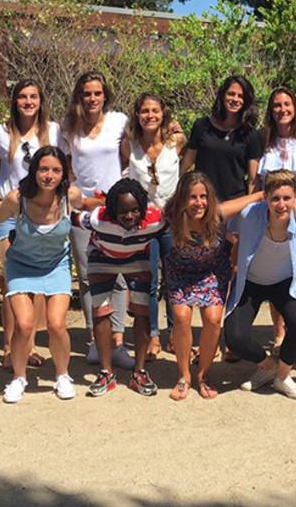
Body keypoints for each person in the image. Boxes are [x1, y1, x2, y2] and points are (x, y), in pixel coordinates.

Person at [0, 146, 85, 403]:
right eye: (44, 169)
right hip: (21, 266)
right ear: (34, 170)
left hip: (56, 265)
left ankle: (62, 375)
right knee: (24, 325)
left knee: (57, 324)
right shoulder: (18, 199)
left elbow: (91, 204)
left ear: (64, 174)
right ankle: (18, 377)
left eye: (56, 170)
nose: (49, 175)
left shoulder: (70, 196)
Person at [161, 172, 265, 400]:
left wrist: (295, 208)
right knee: (181, 317)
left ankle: (204, 375)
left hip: (212, 272)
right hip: (181, 272)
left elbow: (260, 195)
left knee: (213, 319)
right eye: (192, 197)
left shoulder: (217, 214)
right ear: (182, 199)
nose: (199, 203)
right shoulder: (169, 216)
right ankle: (184, 375)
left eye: (203, 196)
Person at [225, 170, 296, 400]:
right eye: (275, 198)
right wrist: (257, 196)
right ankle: (268, 366)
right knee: (234, 338)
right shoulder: (249, 215)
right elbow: (219, 213)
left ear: (295, 197)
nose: (281, 204)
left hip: (284, 283)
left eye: (287, 198)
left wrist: (293, 207)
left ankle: (283, 376)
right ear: (265, 198)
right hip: (251, 282)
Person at [0, 79, 61, 370]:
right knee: (13, 282)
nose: (28, 102)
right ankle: (9, 345)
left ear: (41, 100)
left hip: (44, 214)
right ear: (14, 101)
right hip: (11, 213)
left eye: (33, 96)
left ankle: (29, 346)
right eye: (22, 97)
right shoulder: (1, 133)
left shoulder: (53, 131)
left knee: (38, 281)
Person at [71, 178, 168, 397]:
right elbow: (73, 218)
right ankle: (106, 372)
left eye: (135, 210)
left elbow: (178, 218)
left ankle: (139, 372)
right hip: (101, 255)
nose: (129, 216)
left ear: (143, 208)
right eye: (122, 211)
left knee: (142, 310)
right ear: (112, 209)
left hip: (137, 256)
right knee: (101, 311)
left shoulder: (156, 219)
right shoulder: (98, 219)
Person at [121, 91, 184, 359]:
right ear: (138, 115)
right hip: (143, 223)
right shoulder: (129, 146)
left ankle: (175, 334)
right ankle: (153, 337)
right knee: (149, 280)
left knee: (173, 278)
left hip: (171, 220)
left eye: (155, 111)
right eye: (145, 111)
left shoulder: (177, 143)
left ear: (163, 114)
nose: (150, 116)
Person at [181, 74, 263, 199]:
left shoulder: (251, 135)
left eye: (240, 96)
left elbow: (253, 180)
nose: (235, 99)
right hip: (203, 201)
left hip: (234, 205)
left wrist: (251, 208)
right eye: (231, 94)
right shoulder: (202, 126)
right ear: (222, 96)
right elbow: (187, 163)